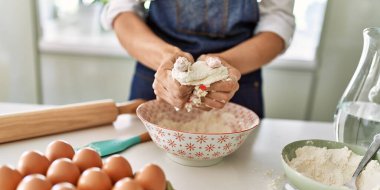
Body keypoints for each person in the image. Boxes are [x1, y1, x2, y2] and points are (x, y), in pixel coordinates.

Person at [102, 0, 295, 118]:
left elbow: (278, 21)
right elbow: (122, 10)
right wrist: (166, 58)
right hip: (157, 70)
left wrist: (222, 67)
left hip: (238, 77)